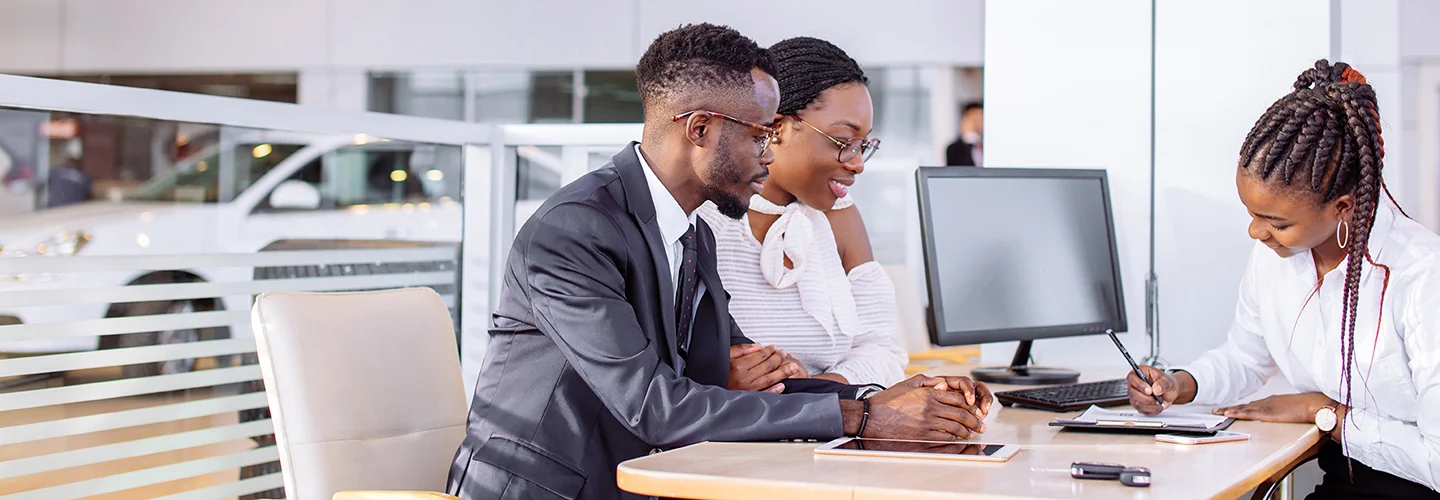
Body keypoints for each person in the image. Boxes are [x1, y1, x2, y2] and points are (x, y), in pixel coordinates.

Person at [447, 24, 993, 500]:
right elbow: (656, 405)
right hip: (547, 492)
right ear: (701, 129)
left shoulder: (689, 231)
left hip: (645, 477)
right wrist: (866, 418)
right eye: (761, 135)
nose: (771, 154)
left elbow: (738, 373)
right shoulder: (573, 230)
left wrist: (903, 399)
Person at [1127, 60, 1440, 498]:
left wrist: (1326, 412)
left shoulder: (1423, 276)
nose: (1255, 232)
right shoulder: (1276, 257)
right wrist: (1180, 384)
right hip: (1344, 483)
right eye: (1251, 214)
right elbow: (1246, 357)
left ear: (1344, 207)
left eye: (1274, 221)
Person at [697, 37, 907, 387]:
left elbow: (883, 349)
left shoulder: (837, 215)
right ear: (775, 130)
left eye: (864, 145)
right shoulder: (704, 217)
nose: (857, 164)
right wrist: (716, 375)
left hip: (829, 426)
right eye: (844, 142)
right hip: (736, 437)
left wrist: (817, 389)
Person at [945, 101, 983, 166]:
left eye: (980, 119)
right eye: (973, 119)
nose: (977, 123)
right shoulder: (954, 149)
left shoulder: (987, 146)